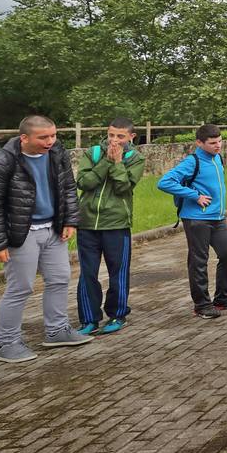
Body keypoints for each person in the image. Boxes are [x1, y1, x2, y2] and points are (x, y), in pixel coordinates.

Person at [0, 115, 91, 362]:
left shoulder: (57, 154)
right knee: (21, 288)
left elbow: (68, 188)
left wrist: (71, 220)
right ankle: (6, 344)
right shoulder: (0, 164)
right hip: (22, 233)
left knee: (60, 278)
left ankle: (57, 331)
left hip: (54, 229)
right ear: (24, 138)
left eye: (53, 135)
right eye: (43, 137)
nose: (50, 141)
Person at [158, 124, 227, 319]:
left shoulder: (217, 158)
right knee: (199, 261)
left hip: (218, 218)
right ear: (199, 143)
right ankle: (202, 305)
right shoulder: (192, 161)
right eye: (213, 143)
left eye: (220, 141)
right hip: (197, 219)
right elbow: (164, 182)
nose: (218, 146)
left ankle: (224, 298)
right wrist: (194, 195)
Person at [74, 117, 146, 335]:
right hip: (87, 223)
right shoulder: (94, 153)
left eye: (120, 136)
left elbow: (123, 186)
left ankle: (117, 314)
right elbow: (84, 183)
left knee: (119, 272)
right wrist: (106, 161)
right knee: (87, 273)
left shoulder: (136, 158)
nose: (115, 140)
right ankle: (89, 319)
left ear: (131, 137)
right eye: (111, 134)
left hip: (116, 224)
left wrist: (116, 163)